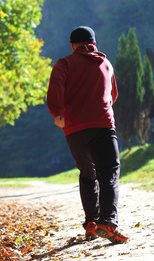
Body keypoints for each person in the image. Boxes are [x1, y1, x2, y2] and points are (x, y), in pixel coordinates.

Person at [47, 26, 128, 243]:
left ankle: (91, 224)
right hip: (102, 124)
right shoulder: (105, 63)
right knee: (109, 171)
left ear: (73, 45)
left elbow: (55, 85)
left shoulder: (64, 63)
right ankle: (108, 223)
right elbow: (113, 95)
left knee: (87, 173)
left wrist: (58, 112)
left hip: (73, 128)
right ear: (93, 43)